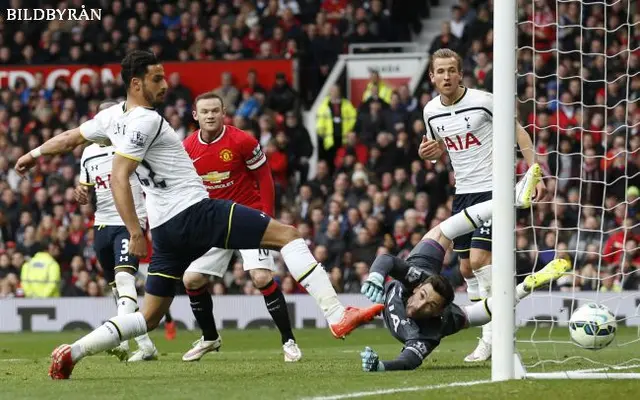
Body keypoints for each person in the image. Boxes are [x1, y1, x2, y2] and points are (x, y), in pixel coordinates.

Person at [14, 50, 383, 380]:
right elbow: (119, 176)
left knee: (149, 316)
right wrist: (133, 231)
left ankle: (73, 351)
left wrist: (33, 154)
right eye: (157, 78)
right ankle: (336, 314)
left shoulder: (111, 118)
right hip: (195, 212)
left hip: (168, 229)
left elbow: (71, 138)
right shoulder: (148, 121)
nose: (165, 84)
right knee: (286, 235)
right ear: (136, 83)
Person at [357, 164, 570, 371]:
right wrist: (376, 276)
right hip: (425, 269)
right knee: (445, 234)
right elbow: (387, 260)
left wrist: (382, 366)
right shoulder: (417, 278)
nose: (420, 306)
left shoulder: (433, 329)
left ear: (438, 311)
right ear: (415, 288)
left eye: (430, 306)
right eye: (422, 296)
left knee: (473, 314)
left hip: (442, 305)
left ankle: (522, 288)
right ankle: (511, 201)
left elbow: (408, 361)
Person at [419, 48, 547, 362]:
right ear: (432, 77)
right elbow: (439, 151)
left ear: (461, 73)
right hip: (463, 193)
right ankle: (491, 331)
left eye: (452, 70)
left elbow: (519, 133)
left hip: (495, 190)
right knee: (465, 267)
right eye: (441, 71)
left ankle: (493, 337)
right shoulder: (430, 111)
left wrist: (536, 173)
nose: (446, 76)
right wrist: (429, 153)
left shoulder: (484, 102)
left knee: (479, 259)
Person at [180, 92, 301, 363]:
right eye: (205, 111)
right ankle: (210, 338)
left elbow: (264, 176)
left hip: (247, 218)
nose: (210, 115)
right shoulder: (187, 148)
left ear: (224, 113)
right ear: (195, 115)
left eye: (215, 110)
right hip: (213, 221)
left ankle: (289, 341)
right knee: (191, 279)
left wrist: (267, 217)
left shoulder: (242, 140)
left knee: (260, 277)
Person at [74, 99, 165, 362]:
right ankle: (146, 346)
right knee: (118, 289)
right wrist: (81, 193)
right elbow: (89, 190)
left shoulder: (132, 147)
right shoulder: (88, 153)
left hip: (130, 223)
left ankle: (120, 341)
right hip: (101, 225)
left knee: (125, 281)